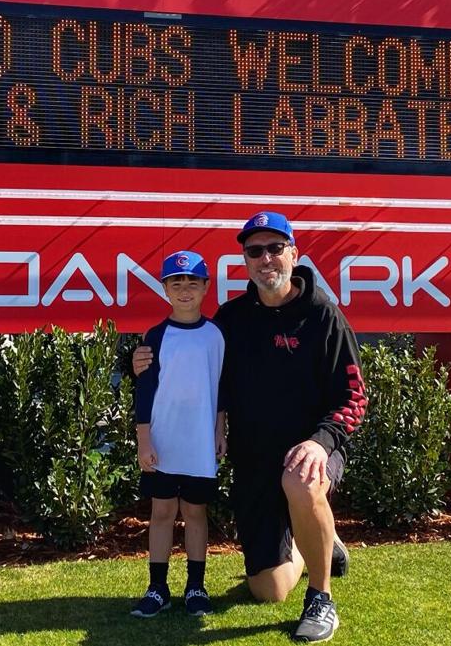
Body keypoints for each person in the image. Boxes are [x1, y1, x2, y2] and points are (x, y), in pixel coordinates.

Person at [133, 212, 366, 643]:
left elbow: (354, 396)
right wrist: (141, 363)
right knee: (269, 590)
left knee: (300, 478)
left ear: (293, 254)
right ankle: (319, 542)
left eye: (275, 248)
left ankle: (320, 597)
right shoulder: (234, 319)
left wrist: (321, 442)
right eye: (255, 251)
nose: (266, 258)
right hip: (255, 460)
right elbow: (195, 359)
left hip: (313, 450)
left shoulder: (324, 316)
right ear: (246, 260)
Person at [131, 250, 226, 619]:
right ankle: (157, 588)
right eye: (176, 282)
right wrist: (144, 440)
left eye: (192, 282)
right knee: (162, 512)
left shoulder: (216, 335)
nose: (184, 289)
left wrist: (220, 430)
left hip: (200, 442)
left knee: (196, 512)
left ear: (205, 287)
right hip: (164, 440)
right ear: (165, 289)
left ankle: (196, 587)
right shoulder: (156, 336)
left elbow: (221, 388)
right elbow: (145, 391)